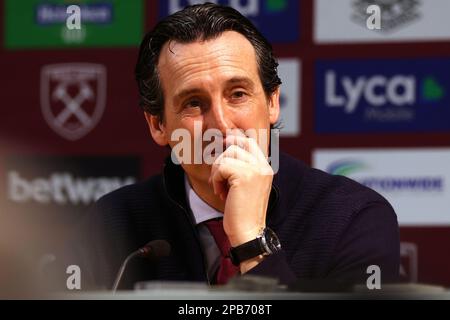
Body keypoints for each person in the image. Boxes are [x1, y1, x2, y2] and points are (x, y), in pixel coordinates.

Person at [71, 3, 400, 291]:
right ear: (158, 125)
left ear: (273, 102)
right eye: (194, 103)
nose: (222, 125)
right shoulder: (112, 224)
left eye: (238, 94)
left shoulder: (353, 217)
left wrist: (252, 240)